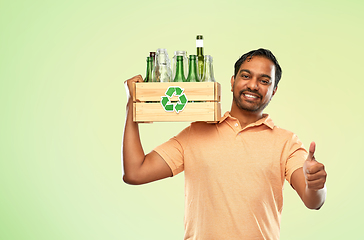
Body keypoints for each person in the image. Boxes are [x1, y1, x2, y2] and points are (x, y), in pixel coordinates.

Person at [122, 48, 327, 240]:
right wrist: (132, 104)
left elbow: (313, 201)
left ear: (273, 90)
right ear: (232, 82)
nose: (253, 85)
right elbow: (135, 173)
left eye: (264, 81)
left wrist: (316, 184)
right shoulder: (196, 133)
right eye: (246, 76)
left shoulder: (286, 142)